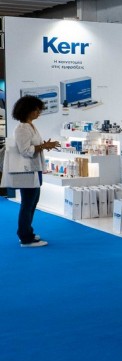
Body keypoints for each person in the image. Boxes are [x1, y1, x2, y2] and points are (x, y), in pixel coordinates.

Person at [1, 96, 60, 247]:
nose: (38, 113)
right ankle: (25, 237)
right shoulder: (22, 128)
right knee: (27, 204)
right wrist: (44, 146)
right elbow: (25, 151)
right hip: (26, 171)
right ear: (28, 110)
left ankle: (27, 231)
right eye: (36, 110)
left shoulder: (30, 126)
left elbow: (31, 147)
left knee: (32, 203)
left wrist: (43, 145)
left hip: (34, 169)